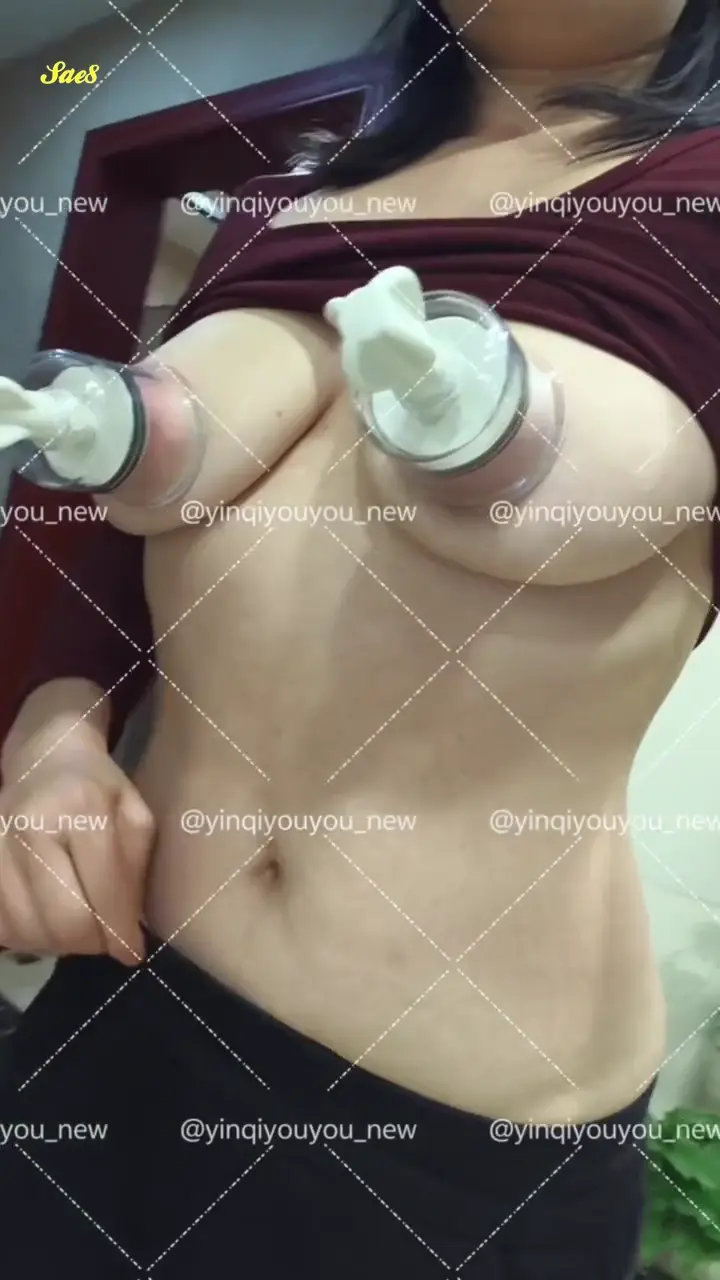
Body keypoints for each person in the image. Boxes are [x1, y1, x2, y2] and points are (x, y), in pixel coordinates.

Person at [2, 0, 720, 1274]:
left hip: (438, 1143)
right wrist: (52, 735)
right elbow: (120, 538)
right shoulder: (291, 200)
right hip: (122, 999)